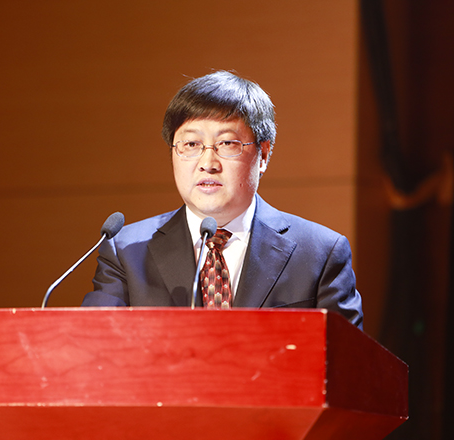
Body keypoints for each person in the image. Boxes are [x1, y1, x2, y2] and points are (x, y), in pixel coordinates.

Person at [82, 70, 362, 328]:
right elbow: (93, 347)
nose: (208, 163)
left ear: (263, 155)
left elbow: (349, 360)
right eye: (191, 144)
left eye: (227, 144)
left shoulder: (319, 254)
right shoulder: (126, 251)